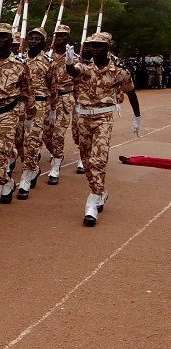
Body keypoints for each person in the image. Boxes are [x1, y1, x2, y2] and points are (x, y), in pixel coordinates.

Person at [65, 32, 140, 226]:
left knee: (98, 160)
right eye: (92, 46)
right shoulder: (84, 67)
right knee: (87, 160)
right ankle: (100, 191)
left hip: (103, 118)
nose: (95, 49)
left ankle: (93, 200)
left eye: (99, 46)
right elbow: (74, 72)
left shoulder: (119, 72)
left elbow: (130, 92)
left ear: (107, 48)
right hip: (82, 118)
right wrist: (68, 63)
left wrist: (137, 117)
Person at [0, 23, 35, 219]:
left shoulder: (19, 66)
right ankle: (6, 181)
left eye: (4, 37)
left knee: (0, 153)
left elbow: (27, 92)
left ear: (10, 40)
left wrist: (30, 115)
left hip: (9, 113)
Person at [15, 27, 56, 199]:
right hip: (20, 104)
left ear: (44, 42)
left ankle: (25, 179)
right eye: (31, 37)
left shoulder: (48, 62)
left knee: (32, 141)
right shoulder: (19, 59)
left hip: (39, 104)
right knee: (18, 140)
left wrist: (53, 108)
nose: (33, 40)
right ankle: (32, 167)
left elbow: (53, 87)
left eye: (37, 38)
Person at [43, 25, 76, 184]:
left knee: (58, 134)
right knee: (45, 133)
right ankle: (56, 153)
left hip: (64, 98)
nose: (59, 38)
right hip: (48, 100)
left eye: (63, 36)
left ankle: (55, 166)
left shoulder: (73, 57)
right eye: (57, 35)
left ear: (67, 38)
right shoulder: (47, 56)